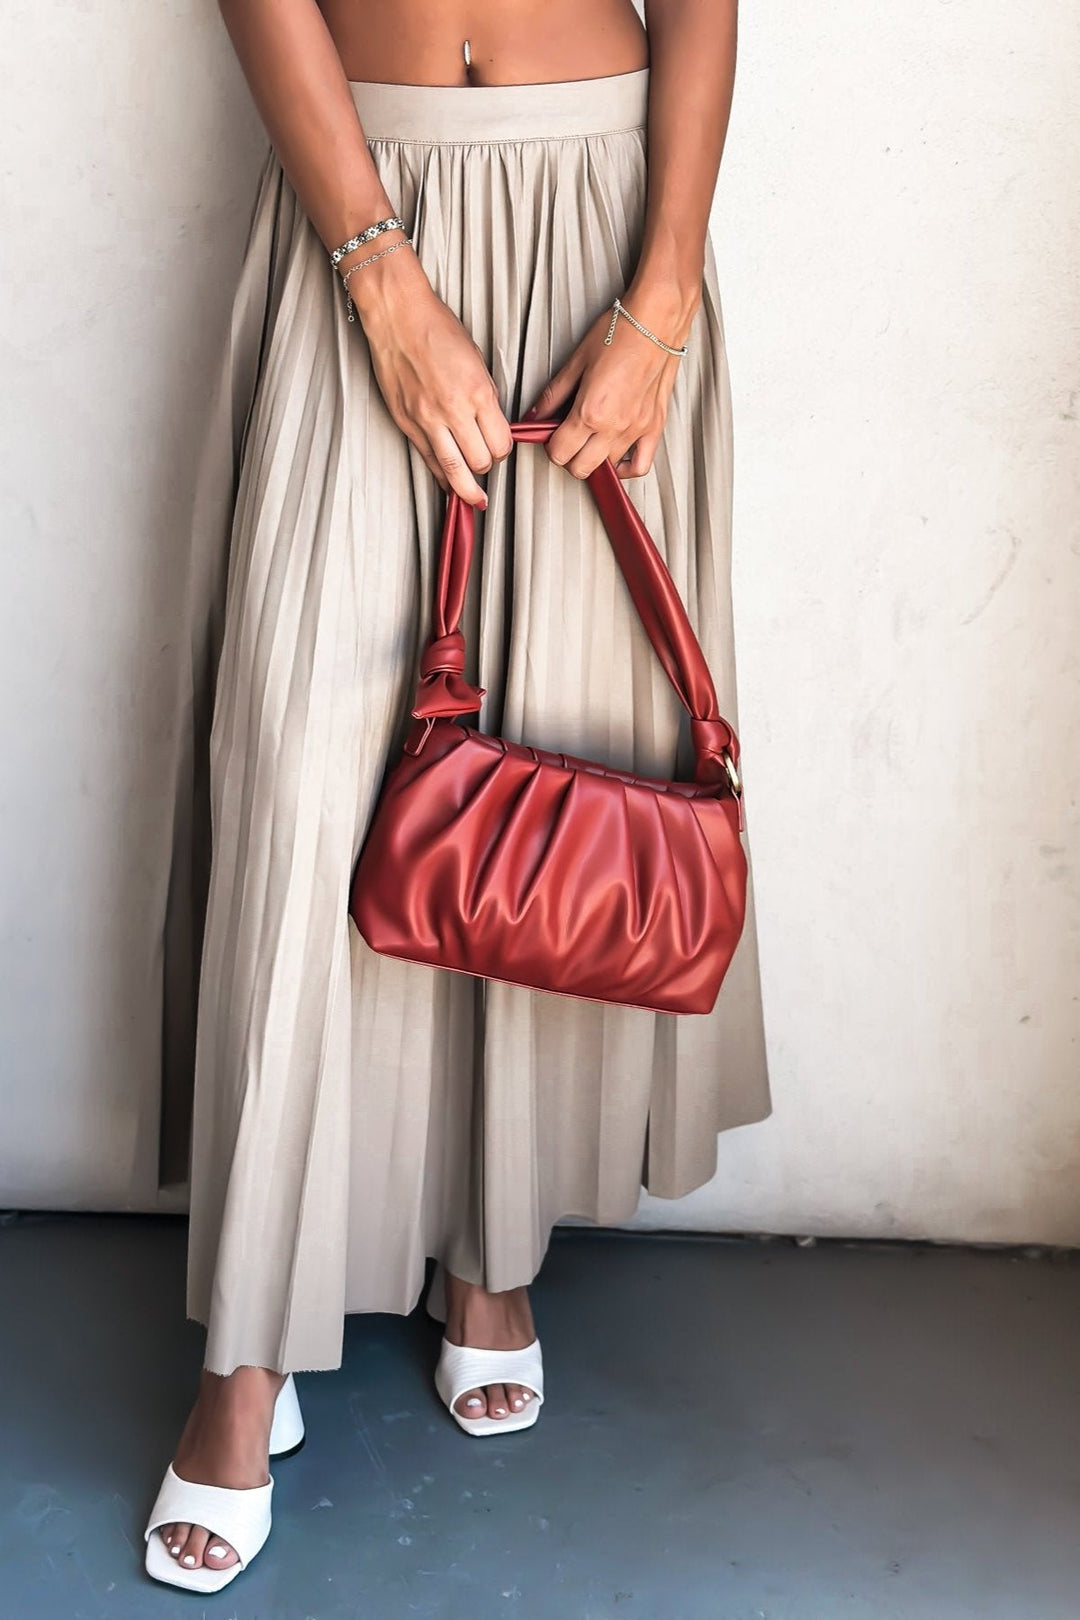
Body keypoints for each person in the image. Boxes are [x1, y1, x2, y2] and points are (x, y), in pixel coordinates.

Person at [144, 0, 771, 1593]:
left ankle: (489, 1254)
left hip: (596, 215)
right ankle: (247, 1353)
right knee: (305, 783)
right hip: (361, 199)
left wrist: (665, 296)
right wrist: (373, 261)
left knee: (543, 766)